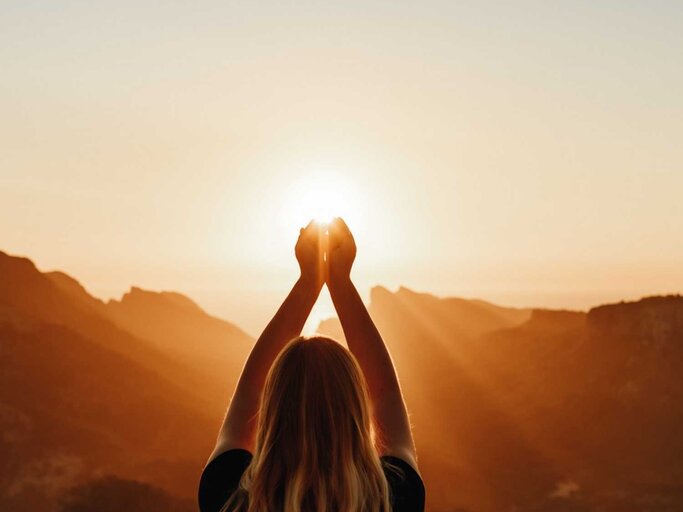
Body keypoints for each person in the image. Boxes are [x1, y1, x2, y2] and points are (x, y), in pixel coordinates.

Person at [198, 218, 425, 512]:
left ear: (273, 409)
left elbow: (249, 392)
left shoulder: (229, 496)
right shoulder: (393, 498)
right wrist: (340, 282)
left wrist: (308, 281)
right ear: (354, 409)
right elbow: (386, 396)